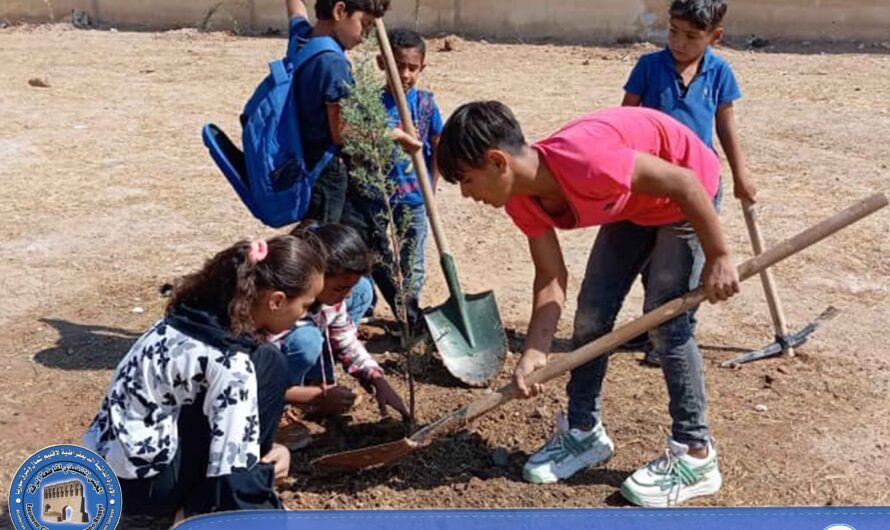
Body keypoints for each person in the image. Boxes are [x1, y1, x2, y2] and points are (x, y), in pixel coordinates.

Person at [436, 101, 740, 507]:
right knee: (593, 314)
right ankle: (583, 432)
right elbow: (550, 278)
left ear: (497, 162)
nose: (467, 194)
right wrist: (534, 351)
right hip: (633, 204)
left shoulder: (588, 161)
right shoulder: (521, 198)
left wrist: (718, 255)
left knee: (666, 319)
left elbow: (684, 183)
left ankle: (695, 453)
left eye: (467, 180)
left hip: (685, 193)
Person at [83, 235, 326, 523]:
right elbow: (233, 472)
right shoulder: (232, 362)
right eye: (307, 306)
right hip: (143, 490)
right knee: (271, 363)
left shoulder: (185, 320)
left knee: (264, 360)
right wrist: (267, 513)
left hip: (105, 463)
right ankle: (196, 513)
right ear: (277, 301)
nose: (306, 315)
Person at [621, 0, 754, 363]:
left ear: (715, 36)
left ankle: (673, 338)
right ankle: (653, 329)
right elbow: (625, 120)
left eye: (691, 36)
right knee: (651, 263)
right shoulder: (649, 67)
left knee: (681, 267)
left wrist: (741, 174)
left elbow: (725, 124)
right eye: (673, 32)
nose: (678, 42)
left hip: (699, 185)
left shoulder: (719, 71)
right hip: (652, 183)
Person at [284, 0, 418, 224]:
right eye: (364, 24)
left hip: (303, 162)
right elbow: (342, 132)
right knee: (322, 243)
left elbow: (296, 9)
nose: (365, 36)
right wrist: (393, 135)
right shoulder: (334, 65)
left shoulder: (302, 39)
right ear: (339, 11)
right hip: (325, 174)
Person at [279, 222, 408, 447]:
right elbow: (254, 375)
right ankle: (277, 412)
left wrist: (377, 379)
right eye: (339, 288)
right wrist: (313, 396)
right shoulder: (281, 307)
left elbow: (346, 340)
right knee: (306, 340)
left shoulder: (331, 298)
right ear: (313, 276)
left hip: (305, 338)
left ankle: (315, 380)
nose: (344, 296)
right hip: (263, 379)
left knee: (363, 292)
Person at [370, 27, 444, 334]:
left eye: (412, 68)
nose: (405, 74)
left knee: (412, 261)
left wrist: (432, 185)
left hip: (414, 198)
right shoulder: (372, 104)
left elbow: (438, 145)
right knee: (375, 255)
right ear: (381, 63)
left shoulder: (426, 104)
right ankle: (370, 308)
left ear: (422, 68)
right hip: (377, 197)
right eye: (398, 65)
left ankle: (410, 317)